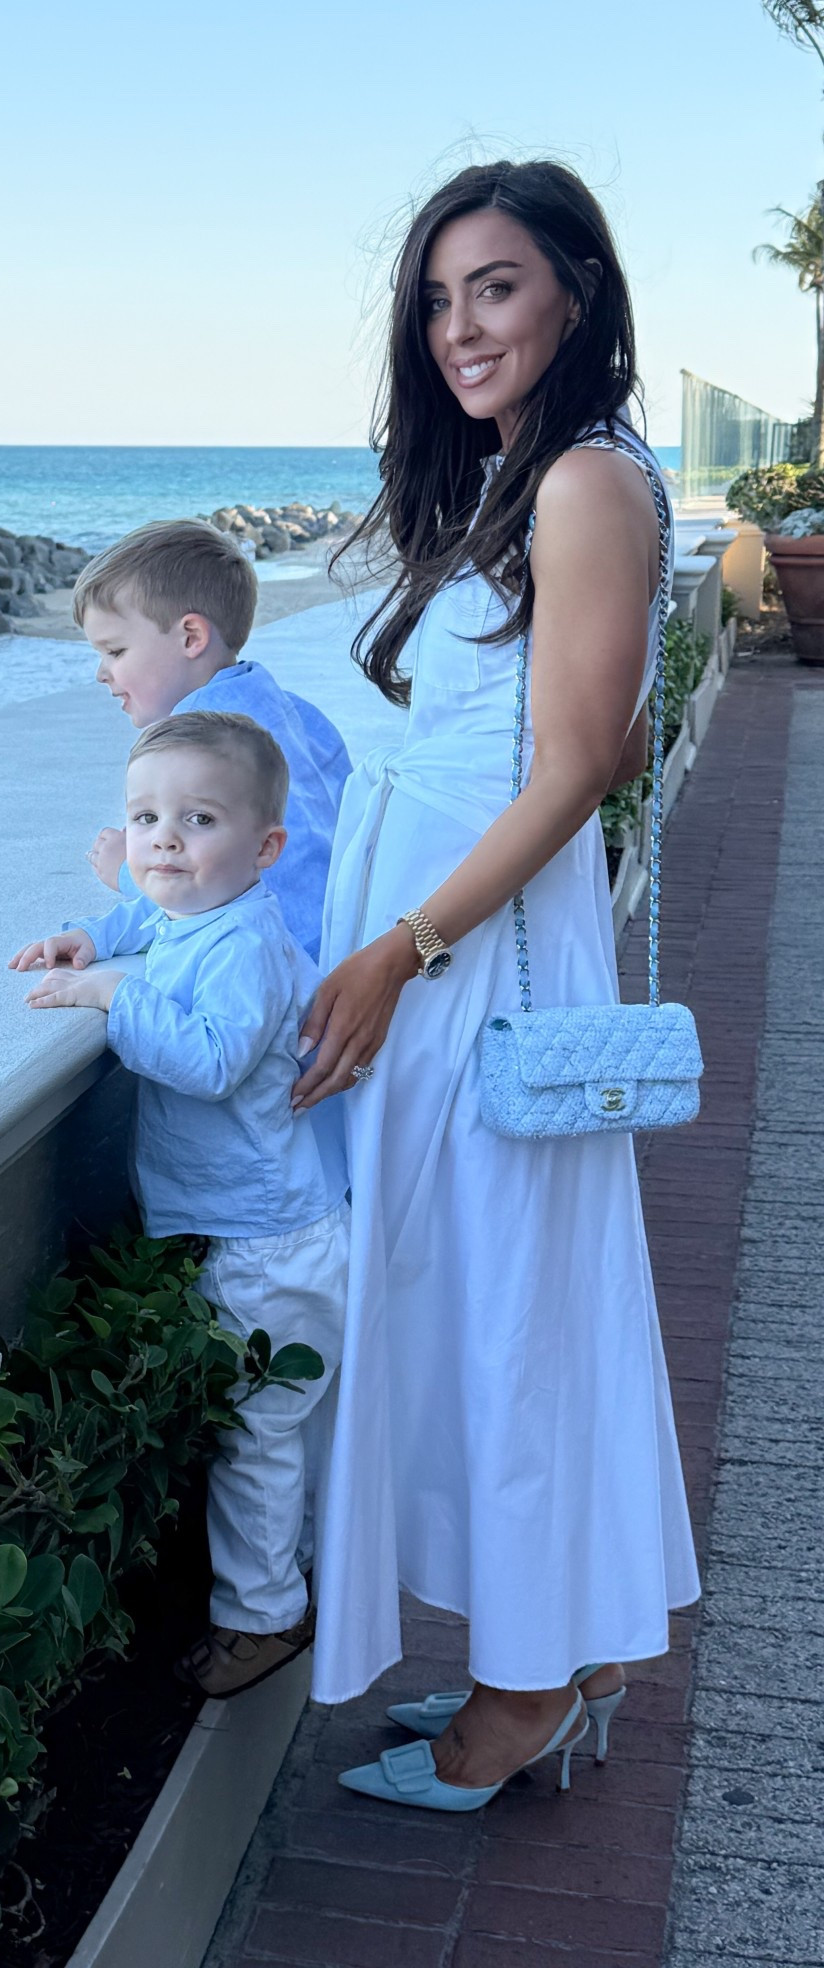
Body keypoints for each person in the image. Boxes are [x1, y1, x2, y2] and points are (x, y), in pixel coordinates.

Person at [288, 160, 699, 1809]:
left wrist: (402, 950)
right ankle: (549, 1647)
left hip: (477, 961)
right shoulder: (534, 475)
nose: (460, 325)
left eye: (498, 286)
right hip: (466, 942)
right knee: (494, 1298)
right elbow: (584, 737)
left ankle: (523, 1692)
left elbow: (576, 768)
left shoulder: (584, 480)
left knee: (510, 1304)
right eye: (439, 297)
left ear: (575, 294)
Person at [10, 710, 349, 1698]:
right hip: (264, 1227)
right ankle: (305, 1575)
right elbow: (152, 919)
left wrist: (112, 994)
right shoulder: (202, 909)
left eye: (198, 819)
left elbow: (207, 1061)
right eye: (146, 817)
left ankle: (262, 1617)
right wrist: (92, 936)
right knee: (285, 1423)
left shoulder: (244, 946)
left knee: (258, 1433)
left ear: (266, 847)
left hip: (269, 1244)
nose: (163, 840)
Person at [73, 518, 351, 957]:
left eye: (115, 651)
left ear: (192, 637)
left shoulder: (198, 742)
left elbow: (202, 885)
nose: (101, 673)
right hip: (346, 935)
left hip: (278, 955)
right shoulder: (295, 712)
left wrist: (126, 870)